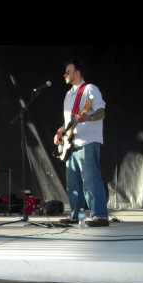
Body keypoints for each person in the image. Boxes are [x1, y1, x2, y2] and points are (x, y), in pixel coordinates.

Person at [54, 59, 109, 227]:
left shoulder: (90, 89)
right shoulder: (68, 94)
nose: (65, 74)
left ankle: (99, 215)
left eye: (68, 71)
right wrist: (60, 132)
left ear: (77, 73)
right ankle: (75, 215)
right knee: (73, 183)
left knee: (91, 180)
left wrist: (89, 117)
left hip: (88, 141)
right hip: (71, 144)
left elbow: (101, 112)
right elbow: (69, 121)